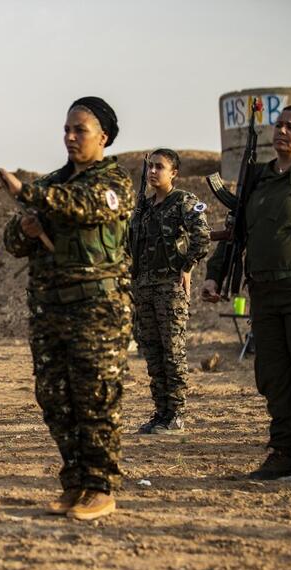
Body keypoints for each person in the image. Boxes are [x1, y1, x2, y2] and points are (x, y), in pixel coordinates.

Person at [0, 96, 134, 521]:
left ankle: (100, 486)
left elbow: (88, 207)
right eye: (67, 130)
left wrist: (28, 192)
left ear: (104, 137)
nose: (71, 137)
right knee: (55, 399)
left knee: (95, 397)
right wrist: (26, 226)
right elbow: (11, 243)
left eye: (80, 130)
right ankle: (74, 481)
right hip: (50, 310)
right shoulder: (53, 183)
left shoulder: (114, 182)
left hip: (97, 310)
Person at [202, 104, 291, 481]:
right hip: (263, 291)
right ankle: (281, 453)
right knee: (273, 374)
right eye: (278, 125)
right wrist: (215, 276)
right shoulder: (258, 179)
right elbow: (236, 234)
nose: (281, 131)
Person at [129, 149, 210, 434]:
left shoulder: (183, 202)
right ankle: (161, 412)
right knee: (152, 353)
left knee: (172, 352)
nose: (153, 172)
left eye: (159, 167)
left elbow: (202, 237)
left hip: (169, 288)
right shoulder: (144, 206)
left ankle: (176, 414)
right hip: (144, 288)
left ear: (173, 172)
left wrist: (187, 267)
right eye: (150, 167)